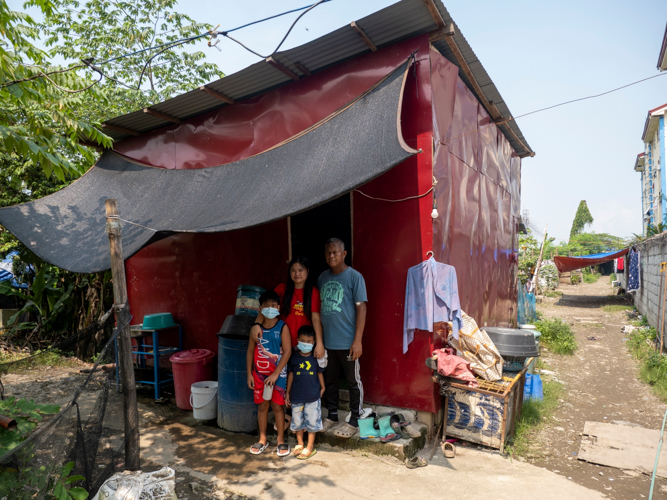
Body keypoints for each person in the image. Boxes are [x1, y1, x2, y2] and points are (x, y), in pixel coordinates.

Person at [318, 238, 367, 439]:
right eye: (328, 252)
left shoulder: (354, 277)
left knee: (353, 381)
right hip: (327, 343)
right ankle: (332, 415)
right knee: (330, 381)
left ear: (344, 254)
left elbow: (362, 309)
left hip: (347, 343)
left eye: (335, 252)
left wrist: (357, 341)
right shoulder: (322, 278)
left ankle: (355, 419)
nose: (332, 256)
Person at [246, 291, 291, 456]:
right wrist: (249, 374)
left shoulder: (283, 327)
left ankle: (281, 440)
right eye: (266, 306)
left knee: (278, 408)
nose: (270, 308)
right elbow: (250, 351)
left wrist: (275, 374)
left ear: (279, 307)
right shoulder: (255, 330)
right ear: (260, 308)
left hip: (278, 376)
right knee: (262, 406)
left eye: (273, 305)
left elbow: (287, 353)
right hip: (259, 375)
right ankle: (263, 439)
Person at [251, 255, 324, 357]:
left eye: (300, 270)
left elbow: (316, 319)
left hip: (302, 345)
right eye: (293, 270)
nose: (297, 274)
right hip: (279, 342)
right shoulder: (282, 289)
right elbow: (266, 308)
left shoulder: (314, 293)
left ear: (307, 271)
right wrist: (256, 324)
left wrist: (319, 343)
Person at [286, 325, 325, 460]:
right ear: (297, 340)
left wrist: (323, 387)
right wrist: (287, 393)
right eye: (303, 340)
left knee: (312, 421)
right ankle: (300, 444)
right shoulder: (295, 357)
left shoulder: (315, 357)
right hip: (296, 396)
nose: (306, 343)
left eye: (309, 341)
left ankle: (310, 446)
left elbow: (319, 373)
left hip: (312, 396)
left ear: (314, 342)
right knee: (297, 422)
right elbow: (290, 375)